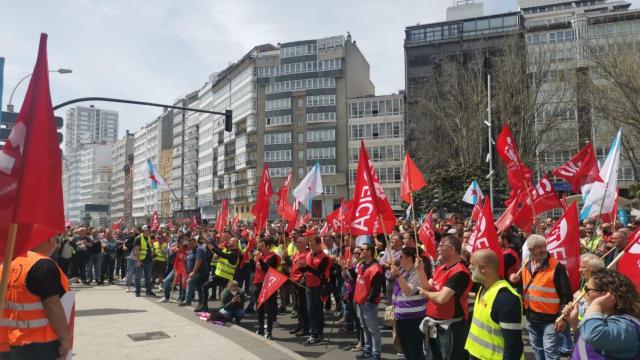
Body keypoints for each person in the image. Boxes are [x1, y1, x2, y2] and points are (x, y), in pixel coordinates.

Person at [5, 236, 72, 360]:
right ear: (51, 240)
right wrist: (66, 337)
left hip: (17, 339)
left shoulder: (13, 264)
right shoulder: (43, 265)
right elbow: (52, 306)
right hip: (42, 343)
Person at [510, 234, 572, 360]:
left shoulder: (557, 267)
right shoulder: (525, 264)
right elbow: (524, 283)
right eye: (539, 247)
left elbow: (567, 295)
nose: (543, 249)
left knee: (550, 351)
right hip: (531, 317)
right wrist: (513, 278)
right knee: (537, 348)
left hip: (551, 319)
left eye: (544, 246)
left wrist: (562, 318)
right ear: (531, 250)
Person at [418, 234, 472, 360]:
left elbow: (442, 298)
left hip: (450, 327)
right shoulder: (441, 268)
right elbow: (427, 287)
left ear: (451, 249)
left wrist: (426, 294)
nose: (437, 249)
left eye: (441, 246)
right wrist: (420, 270)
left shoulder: (460, 272)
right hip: (434, 324)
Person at [465, 249, 523, 360]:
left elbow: (514, 347)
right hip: (477, 355)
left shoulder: (506, 299)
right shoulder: (484, 287)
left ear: (483, 268)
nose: (468, 267)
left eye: (472, 264)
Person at [569, 269, 640, 359]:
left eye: (587, 289)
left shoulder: (626, 325)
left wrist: (596, 304)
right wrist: (574, 323)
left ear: (606, 294)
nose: (584, 294)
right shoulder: (606, 317)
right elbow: (588, 344)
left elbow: (593, 335)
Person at [390, 246, 426, 360]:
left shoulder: (417, 273)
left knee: (415, 351)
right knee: (406, 350)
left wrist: (398, 276)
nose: (398, 259)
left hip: (413, 318)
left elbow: (408, 291)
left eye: (401, 257)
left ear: (410, 258)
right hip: (401, 317)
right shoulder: (402, 270)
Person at [353, 243, 384, 360]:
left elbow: (376, 288)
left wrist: (368, 301)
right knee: (365, 328)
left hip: (368, 304)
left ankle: (376, 353)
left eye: (363, 249)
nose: (360, 251)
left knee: (373, 330)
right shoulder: (362, 265)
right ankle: (367, 350)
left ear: (370, 252)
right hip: (359, 302)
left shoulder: (376, 268)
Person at [199, 234, 241, 312]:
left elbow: (222, 254)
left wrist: (213, 248)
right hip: (219, 276)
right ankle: (204, 306)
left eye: (231, 241)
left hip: (227, 279)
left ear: (235, 243)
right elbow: (218, 248)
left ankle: (231, 311)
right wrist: (208, 241)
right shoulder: (228, 251)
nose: (229, 241)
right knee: (205, 287)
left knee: (228, 295)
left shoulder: (234, 254)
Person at [301, 235, 330, 345]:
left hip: (319, 286)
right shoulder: (309, 254)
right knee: (310, 310)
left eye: (312, 244)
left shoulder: (324, 257)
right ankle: (314, 333)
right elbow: (306, 269)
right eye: (310, 244)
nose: (310, 246)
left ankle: (319, 333)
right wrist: (301, 267)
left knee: (318, 310)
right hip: (309, 285)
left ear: (318, 244)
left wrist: (307, 268)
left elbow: (320, 272)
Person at [252, 238, 280, 340]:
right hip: (258, 284)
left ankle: (269, 331)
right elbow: (254, 269)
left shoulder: (273, 257)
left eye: (262, 246)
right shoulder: (260, 256)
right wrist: (253, 260)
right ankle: (260, 329)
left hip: (268, 284)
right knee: (259, 308)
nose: (260, 248)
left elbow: (268, 269)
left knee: (269, 308)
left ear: (268, 246)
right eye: (259, 246)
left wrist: (259, 259)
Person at [286, 235, 310, 337]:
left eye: (300, 242)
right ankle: (300, 325)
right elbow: (292, 265)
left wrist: (302, 280)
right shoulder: (296, 253)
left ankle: (305, 327)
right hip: (294, 281)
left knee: (303, 306)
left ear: (305, 244)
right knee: (298, 306)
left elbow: (306, 269)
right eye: (297, 242)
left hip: (301, 283)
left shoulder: (307, 254)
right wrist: (287, 258)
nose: (297, 244)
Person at [181, 236, 208, 307]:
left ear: (196, 242)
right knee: (199, 287)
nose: (190, 245)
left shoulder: (199, 249)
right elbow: (189, 260)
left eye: (192, 244)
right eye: (189, 244)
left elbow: (198, 261)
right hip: (194, 272)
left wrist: (193, 272)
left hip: (200, 272)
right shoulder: (191, 250)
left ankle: (187, 301)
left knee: (190, 281)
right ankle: (201, 303)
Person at [134, 225, 156, 297]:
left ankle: (148, 291)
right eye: (147, 230)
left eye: (149, 230)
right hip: (141, 260)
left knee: (148, 277)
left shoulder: (149, 237)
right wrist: (138, 261)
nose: (149, 231)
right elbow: (136, 251)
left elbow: (150, 247)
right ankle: (137, 292)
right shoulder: (138, 238)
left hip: (149, 260)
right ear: (144, 231)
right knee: (138, 277)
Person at [381, 234, 403, 303]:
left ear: (400, 242)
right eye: (391, 239)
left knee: (397, 301)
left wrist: (389, 261)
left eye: (393, 239)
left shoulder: (403, 252)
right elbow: (381, 261)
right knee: (390, 302)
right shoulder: (389, 250)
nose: (391, 240)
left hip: (397, 281)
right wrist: (387, 264)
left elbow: (395, 261)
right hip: (388, 280)